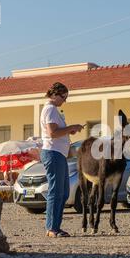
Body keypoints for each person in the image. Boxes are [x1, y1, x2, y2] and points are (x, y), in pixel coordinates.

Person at [40, 82, 84, 238]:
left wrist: (69, 130)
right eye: (63, 97)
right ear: (54, 94)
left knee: (63, 192)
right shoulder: (50, 109)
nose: (64, 100)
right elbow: (53, 133)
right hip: (53, 153)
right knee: (56, 191)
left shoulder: (52, 110)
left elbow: (57, 132)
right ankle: (52, 228)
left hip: (58, 153)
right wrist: (71, 127)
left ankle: (54, 226)